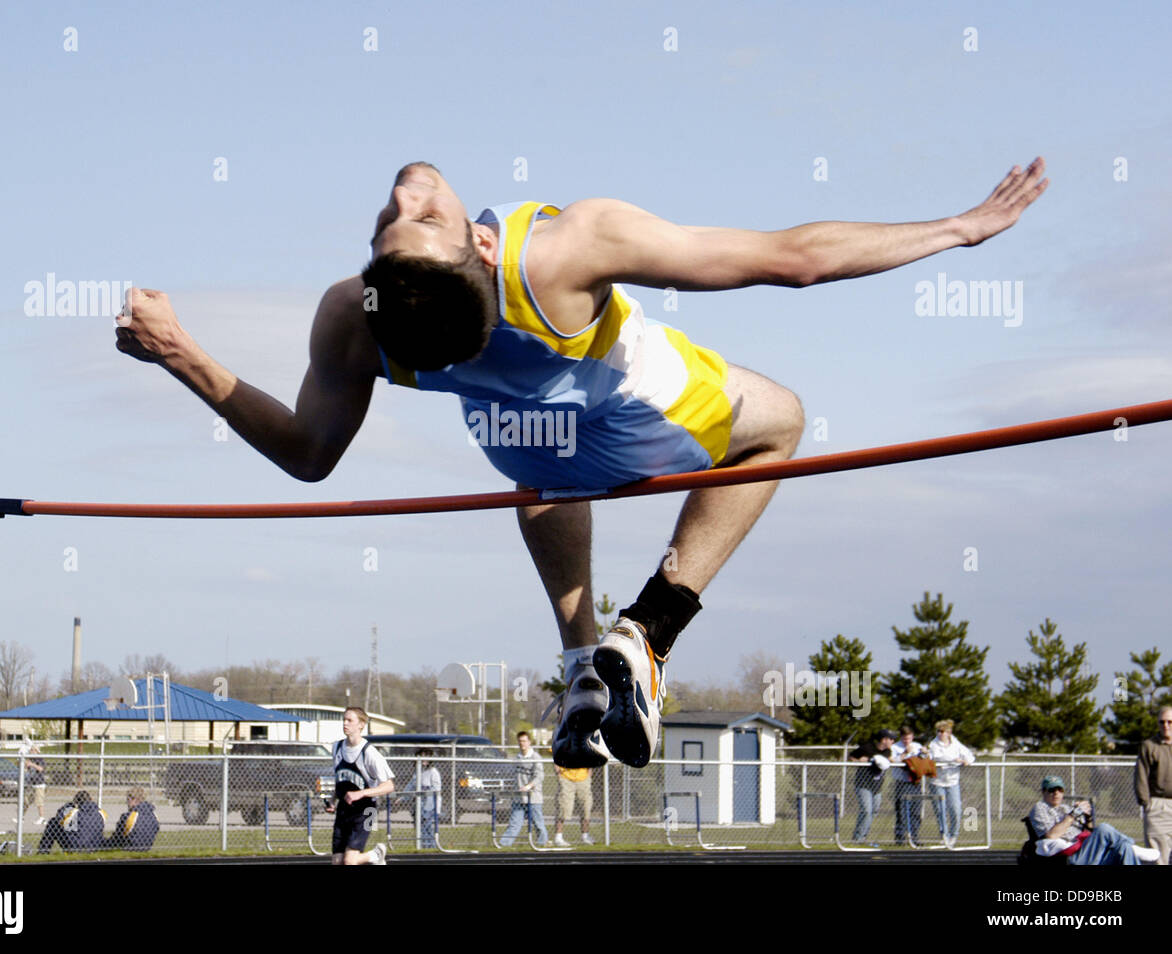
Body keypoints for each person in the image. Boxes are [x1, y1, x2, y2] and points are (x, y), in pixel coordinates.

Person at [116, 159, 1048, 772]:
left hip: (529, 450)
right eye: (417, 217)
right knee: (782, 422)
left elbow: (309, 455)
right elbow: (791, 260)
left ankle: (580, 662)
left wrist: (182, 353)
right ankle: (646, 633)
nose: (410, 192)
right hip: (642, 408)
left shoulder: (355, 319)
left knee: (529, 451)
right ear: (481, 247)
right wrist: (955, 230)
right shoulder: (569, 246)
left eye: (401, 215)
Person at [1029, 776, 1159, 865]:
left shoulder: (1066, 808)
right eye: (1051, 790)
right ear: (1043, 792)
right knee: (1104, 828)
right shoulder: (1040, 808)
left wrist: (1088, 817)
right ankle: (1134, 846)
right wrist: (1073, 814)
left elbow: (1088, 831)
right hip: (1072, 856)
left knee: (1124, 848)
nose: (1056, 793)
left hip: (1087, 850)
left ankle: (1129, 846)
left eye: (1060, 790)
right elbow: (1051, 835)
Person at [326, 706, 394, 865]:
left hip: (367, 810)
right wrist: (332, 800)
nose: (345, 723)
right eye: (344, 719)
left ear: (361, 724)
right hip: (344, 810)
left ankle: (376, 855)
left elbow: (389, 785)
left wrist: (361, 793)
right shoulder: (336, 747)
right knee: (337, 861)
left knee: (350, 861)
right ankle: (374, 856)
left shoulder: (369, 752)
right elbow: (341, 781)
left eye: (350, 720)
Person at [1135, 705, 1172, 865]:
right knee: (1158, 857)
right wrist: (1146, 803)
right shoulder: (1149, 746)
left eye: (1170, 722)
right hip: (1159, 806)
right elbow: (1141, 776)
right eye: (1162, 722)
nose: (1166, 726)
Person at [928, 719, 975, 843]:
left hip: (952, 781)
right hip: (937, 781)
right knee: (940, 810)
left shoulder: (956, 744)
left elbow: (969, 756)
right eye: (939, 731)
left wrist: (966, 761)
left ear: (949, 732)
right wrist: (955, 759)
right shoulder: (933, 744)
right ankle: (944, 834)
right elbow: (937, 757)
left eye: (943, 731)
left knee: (955, 809)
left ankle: (954, 835)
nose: (941, 734)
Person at [847, 729, 895, 845]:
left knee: (874, 811)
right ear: (884, 739)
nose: (893, 741)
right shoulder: (867, 748)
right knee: (866, 810)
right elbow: (851, 757)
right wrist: (859, 761)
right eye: (891, 739)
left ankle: (863, 836)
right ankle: (858, 838)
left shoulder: (887, 751)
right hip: (863, 784)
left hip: (877, 786)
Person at [500, 731, 547, 846]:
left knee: (538, 822)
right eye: (520, 741)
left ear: (529, 742)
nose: (522, 744)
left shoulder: (535, 757)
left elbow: (539, 776)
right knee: (515, 823)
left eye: (524, 741)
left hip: (533, 797)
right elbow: (513, 776)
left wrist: (529, 786)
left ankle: (542, 844)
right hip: (519, 797)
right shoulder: (517, 758)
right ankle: (504, 844)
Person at [36, 790, 107, 854]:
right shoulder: (100, 812)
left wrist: (69, 805)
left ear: (76, 802)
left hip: (75, 845)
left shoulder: (74, 812)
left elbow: (59, 818)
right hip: (95, 844)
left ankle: (43, 851)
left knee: (53, 822)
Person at [891, 725, 925, 845]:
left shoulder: (917, 746)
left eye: (909, 738)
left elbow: (924, 760)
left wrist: (924, 754)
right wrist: (905, 753)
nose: (907, 741)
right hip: (902, 782)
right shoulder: (895, 747)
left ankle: (914, 837)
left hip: (915, 782)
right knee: (902, 810)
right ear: (901, 737)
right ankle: (900, 838)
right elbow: (893, 761)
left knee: (915, 810)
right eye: (905, 739)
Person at [402, 748, 442, 849]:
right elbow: (411, 785)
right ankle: (422, 846)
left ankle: (429, 847)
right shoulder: (418, 772)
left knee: (426, 828)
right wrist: (403, 797)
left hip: (428, 806)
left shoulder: (433, 772)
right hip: (418, 805)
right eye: (421, 756)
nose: (423, 759)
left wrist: (435, 807)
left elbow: (436, 790)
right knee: (419, 827)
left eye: (426, 757)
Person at [104, 786, 160, 851]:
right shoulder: (154, 816)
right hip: (146, 848)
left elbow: (117, 837)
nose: (127, 803)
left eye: (128, 799)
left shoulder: (129, 816)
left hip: (128, 848)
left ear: (135, 799)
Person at [553, 763, 594, 846]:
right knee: (563, 808)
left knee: (586, 808)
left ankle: (585, 836)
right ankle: (558, 837)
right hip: (566, 778)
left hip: (583, 779)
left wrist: (589, 775)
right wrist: (558, 773)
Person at [17, 738, 46, 826]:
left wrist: (32, 765)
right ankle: (21, 817)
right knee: (25, 801)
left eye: (33, 750)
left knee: (39, 802)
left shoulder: (40, 760)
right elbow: (26, 769)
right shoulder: (30, 759)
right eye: (31, 750)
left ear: (37, 751)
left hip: (39, 784)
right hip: (31, 784)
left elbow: (41, 769)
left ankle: (42, 818)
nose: (31, 751)